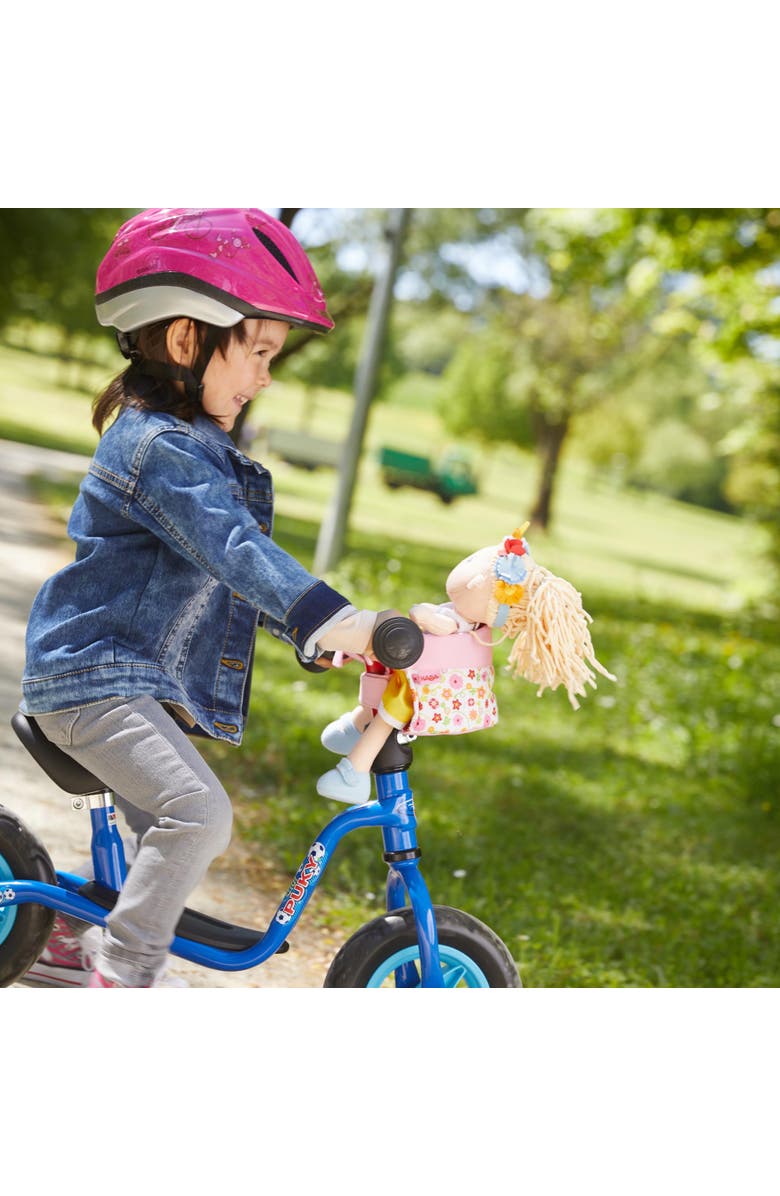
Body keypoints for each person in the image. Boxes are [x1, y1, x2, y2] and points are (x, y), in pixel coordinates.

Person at [19, 208, 383, 989]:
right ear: (186, 339)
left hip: (112, 680)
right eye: (257, 351)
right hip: (90, 680)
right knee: (199, 814)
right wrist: (336, 617)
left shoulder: (196, 449)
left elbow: (232, 579)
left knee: (168, 829)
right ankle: (126, 970)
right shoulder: (158, 449)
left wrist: (316, 636)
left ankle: (70, 935)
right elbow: (234, 548)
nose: (266, 376)